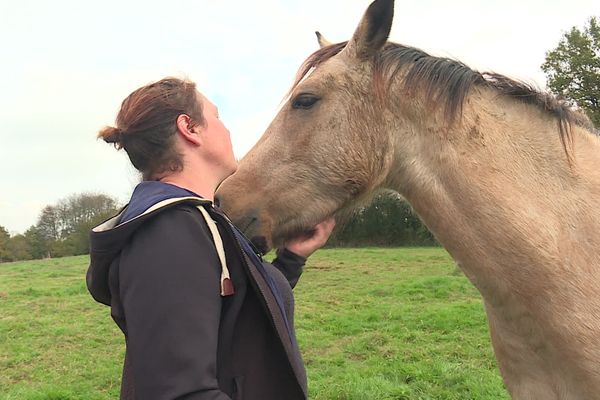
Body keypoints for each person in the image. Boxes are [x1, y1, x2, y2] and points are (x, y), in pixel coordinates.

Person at [86, 77, 335, 400]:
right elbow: (180, 394)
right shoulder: (167, 233)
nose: (227, 130)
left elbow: (239, 312)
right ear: (189, 128)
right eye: (217, 117)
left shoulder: (200, 222)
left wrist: (292, 258)